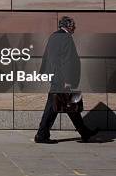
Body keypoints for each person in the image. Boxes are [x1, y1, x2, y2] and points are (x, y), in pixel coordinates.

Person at [35, 16, 98, 144]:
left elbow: (47, 55)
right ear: (68, 26)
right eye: (73, 25)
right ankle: (41, 135)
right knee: (57, 106)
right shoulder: (66, 38)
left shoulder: (54, 36)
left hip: (55, 76)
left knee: (68, 105)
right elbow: (68, 61)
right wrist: (68, 80)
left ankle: (84, 132)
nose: (75, 27)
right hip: (62, 78)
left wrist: (45, 73)